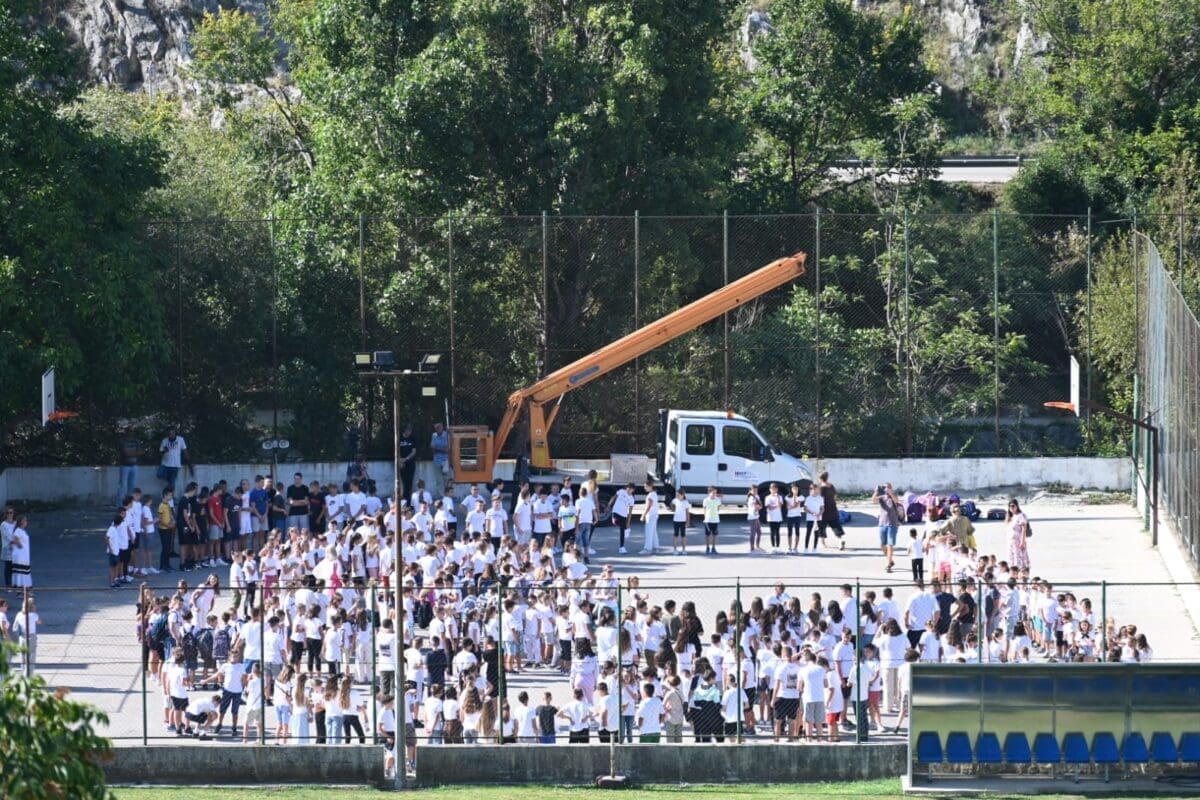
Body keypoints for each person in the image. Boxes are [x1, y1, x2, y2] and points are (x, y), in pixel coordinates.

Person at [873, 483, 901, 573]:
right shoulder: (882, 497)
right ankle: (890, 560)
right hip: (882, 523)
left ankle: (888, 564)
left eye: (888, 487)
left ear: (891, 488)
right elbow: (873, 500)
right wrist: (876, 492)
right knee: (882, 545)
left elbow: (896, 501)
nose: (886, 489)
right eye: (885, 487)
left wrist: (890, 493)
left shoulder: (894, 496)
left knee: (890, 545)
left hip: (892, 524)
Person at [817, 471, 846, 549]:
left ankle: (823, 543)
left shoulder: (820, 487)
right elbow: (835, 497)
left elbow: (818, 499)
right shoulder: (831, 486)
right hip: (833, 508)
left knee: (821, 527)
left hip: (823, 510)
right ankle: (840, 541)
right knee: (836, 526)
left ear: (820, 478)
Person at [117, 428, 143, 507]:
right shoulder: (123, 441)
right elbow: (125, 453)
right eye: (129, 431)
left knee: (132, 487)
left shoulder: (136, 441)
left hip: (134, 465)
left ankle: (129, 504)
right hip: (124, 466)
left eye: (132, 431)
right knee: (123, 486)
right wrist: (135, 453)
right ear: (126, 432)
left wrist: (131, 452)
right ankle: (120, 505)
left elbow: (141, 452)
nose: (131, 433)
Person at [158, 427, 188, 495]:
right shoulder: (164, 440)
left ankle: (172, 498)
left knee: (172, 483)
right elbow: (160, 452)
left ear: (175, 433)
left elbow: (185, 450)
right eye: (169, 434)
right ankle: (169, 483)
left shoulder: (180, 439)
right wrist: (164, 451)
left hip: (175, 465)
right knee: (159, 474)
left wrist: (189, 462)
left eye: (172, 433)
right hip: (165, 464)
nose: (171, 435)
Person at [1006, 499, 1030, 569]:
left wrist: (1022, 541)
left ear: (1017, 506)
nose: (1011, 508)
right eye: (1010, 506)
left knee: (1018, 558)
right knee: (1011, 558)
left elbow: (1023, 529)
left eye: (1013, 506)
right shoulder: (1010, 516)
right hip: (1010, 541)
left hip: (1017, 540)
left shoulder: (1021, 515)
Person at [9, 514, 31, 589]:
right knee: (20, 571)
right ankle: (20, 588)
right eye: (25, 520)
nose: (26, 522)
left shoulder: (22, 531)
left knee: (24, 571)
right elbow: (15, 540)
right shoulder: (18, 530)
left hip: (24, 555)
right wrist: (20, 545)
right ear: (22, 522)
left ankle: (24, 587)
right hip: (20, 555)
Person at [397, 423, 418, 503]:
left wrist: (406, 459)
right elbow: (396, 450)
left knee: (409, 483)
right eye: (408, 430)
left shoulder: (413, 438)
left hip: (410, 463)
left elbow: (414, 452)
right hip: (401, 463)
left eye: (410, 430)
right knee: (403, 482)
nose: (409, 432)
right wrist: (400, 460)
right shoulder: (399, 438)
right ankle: (404, 501)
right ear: (405, 430)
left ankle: (408, 501)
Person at [639, 480, 660, 554]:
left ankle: (647, 549)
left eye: (645, 486)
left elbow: (648, 506)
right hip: (654, 515)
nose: (644, 488)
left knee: (649, 532)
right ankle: (656, 547)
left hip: (651, 515)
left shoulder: (651, 495)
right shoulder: (654, 494)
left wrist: (643, 515)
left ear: (650, 486)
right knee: (653, 532)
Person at [702, 487, 721, 555]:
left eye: (715, 493)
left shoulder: (718, 500)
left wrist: (715, 515)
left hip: (715, 520)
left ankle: (713, 548)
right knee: (707, 535)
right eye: (713, 493)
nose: (715, 494)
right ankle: (707, 548)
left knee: (715, 535)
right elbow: (704, 510)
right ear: (709, 493)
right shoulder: (706, 500)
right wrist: (705, 518)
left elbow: (718, 508)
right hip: (708, 520)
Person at [671, 490, 690, 556]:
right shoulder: (674, 500)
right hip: (676, 520)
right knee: (675, 535)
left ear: (683, 495)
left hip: (683, 521)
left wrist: (688, 521)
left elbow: (687, 513)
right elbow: (672, 506)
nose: (677, 496)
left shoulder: (686, 502)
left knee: (683, 535)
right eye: (676, 495)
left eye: (678, 495)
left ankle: (684, 549)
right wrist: (672, 508)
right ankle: (675, 549)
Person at [1, 506, 14, 588]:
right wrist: (14, 542)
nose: (10, 514)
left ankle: (13, 583)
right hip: (7, 547)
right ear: (5, 514)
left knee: (14, 566)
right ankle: (8, 584)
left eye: (11, 512)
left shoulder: (15, 523)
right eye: (8, 513)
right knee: (8, 566)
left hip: (15, 547)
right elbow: (7, 536)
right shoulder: (3, 524)